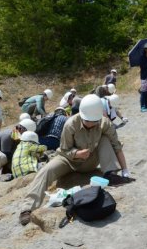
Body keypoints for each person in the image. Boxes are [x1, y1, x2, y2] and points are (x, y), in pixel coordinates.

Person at [18, 94, 133, 226]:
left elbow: (116, 146)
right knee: (46, 170)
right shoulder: (70, 124)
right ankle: (27, 209)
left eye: (94, 121)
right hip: (67, 160)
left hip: (90, 161)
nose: (91, 124)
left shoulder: (104, 123)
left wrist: (125, 170)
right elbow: (64, 149)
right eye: (87, 121)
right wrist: (77, 153)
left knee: (106, 139)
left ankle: (111, 174)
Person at [0, 118, 36, 184]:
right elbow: (6, 154)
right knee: (3, 156)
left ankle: (6, 173)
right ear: (22, 129)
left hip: (0, 157)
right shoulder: (8, 134)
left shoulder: (17, 136)